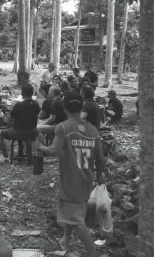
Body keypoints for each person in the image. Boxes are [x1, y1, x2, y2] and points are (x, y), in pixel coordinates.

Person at [34, 92, 106, 257]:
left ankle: (94, 254)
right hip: (87, 179)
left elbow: (53, 150)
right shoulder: (93, 130)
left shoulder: (64, 127)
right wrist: (100, 173)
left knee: (77, 221)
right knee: (73, 213)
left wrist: (39, 146)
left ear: (65, 107)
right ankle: (65, 241)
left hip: (71, 180)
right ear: (81, 107)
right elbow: (101, 159)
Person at [0, 85, 40, 162]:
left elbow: (9, 120)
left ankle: (5, 155)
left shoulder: (18, 105)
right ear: (32, 93)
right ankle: (21, 152)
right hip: (33, 132)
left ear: (22, 94)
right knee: (19, 127)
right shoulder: (36, 104)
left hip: (18, 132)